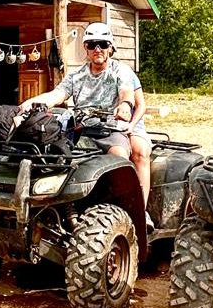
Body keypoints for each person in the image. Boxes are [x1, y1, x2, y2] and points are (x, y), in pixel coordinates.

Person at [19, 22, 153, 211]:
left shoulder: (120, 71)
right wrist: (30, 103)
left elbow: (127, 94)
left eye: (103, 44)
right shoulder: (76, 75)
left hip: (112, 129)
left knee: (122, 158)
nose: (97, 49)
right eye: (92, 44)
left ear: (110, 47)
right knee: (56, 159)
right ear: (85, 48)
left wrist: (125, 106)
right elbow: (57, 95)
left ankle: (134, 211)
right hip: (83, 130)